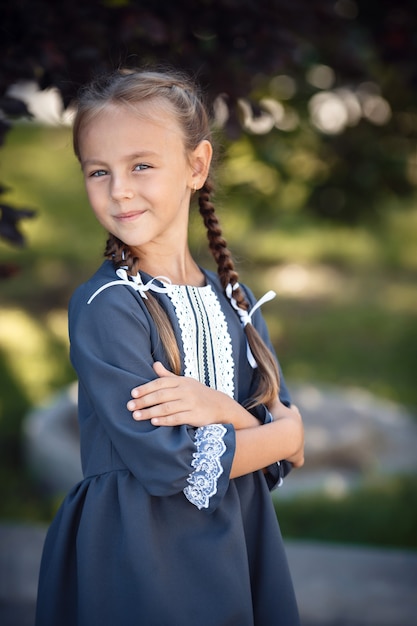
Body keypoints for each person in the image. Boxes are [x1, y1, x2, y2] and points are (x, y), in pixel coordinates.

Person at [35, 67, 304, 626]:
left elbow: (280, 456)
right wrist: (268, 429)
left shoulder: (236, 298)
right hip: (139, 560)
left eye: (141, 165)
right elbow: (173, 462)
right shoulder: (107, 305)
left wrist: (240, 421)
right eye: (98, 171)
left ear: (196, 166)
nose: (119, 190)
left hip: (237, 548)